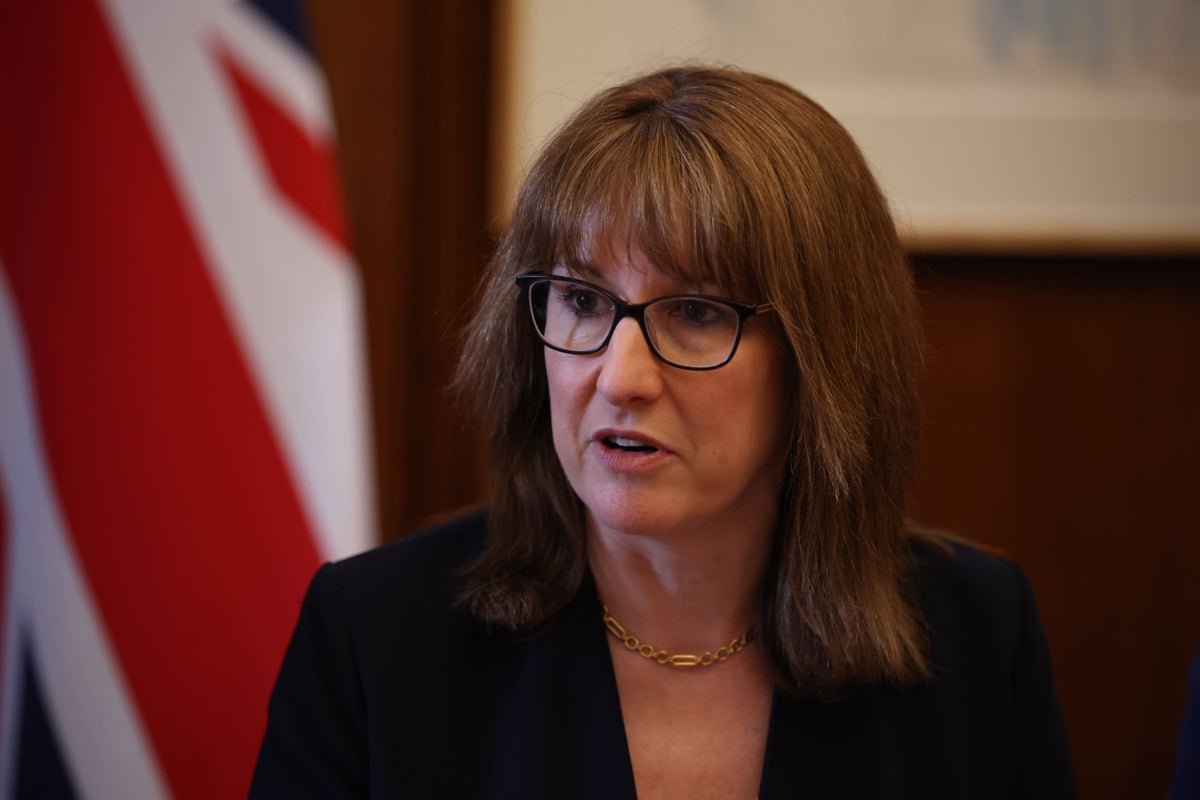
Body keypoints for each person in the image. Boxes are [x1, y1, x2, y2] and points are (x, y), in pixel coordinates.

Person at [250, 65, 1076, 799]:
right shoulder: (374, 638)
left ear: (820, 358)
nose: (621, 377)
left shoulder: (977, 636)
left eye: (696, 312)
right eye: (582, 300)